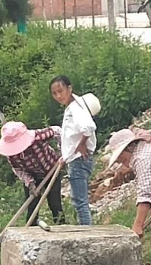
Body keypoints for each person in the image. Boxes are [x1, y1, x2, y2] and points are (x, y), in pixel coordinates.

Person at [49, 75, 99, 226]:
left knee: (80, 202)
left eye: (61, 91)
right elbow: (72, 138)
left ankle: (86, 233)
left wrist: (83, 144)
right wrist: (65, 157)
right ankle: (86, 230)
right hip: (74, 158)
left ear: (69, 89)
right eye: (54, 93)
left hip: (79, 160)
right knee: (79, 200)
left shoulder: (75, 109)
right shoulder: (71, 108)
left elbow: (89, 127)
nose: (58, 96)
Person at [0, 121, 65, 225]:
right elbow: (18, 170)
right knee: (32, 205)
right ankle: (30, 229)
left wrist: (63, 153)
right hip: (32, 175)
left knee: (55, 204)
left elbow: (58, 131)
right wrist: (30, 183)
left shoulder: (37, 137)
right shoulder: (11, 155)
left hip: (51, 169)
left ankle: (62, 228)